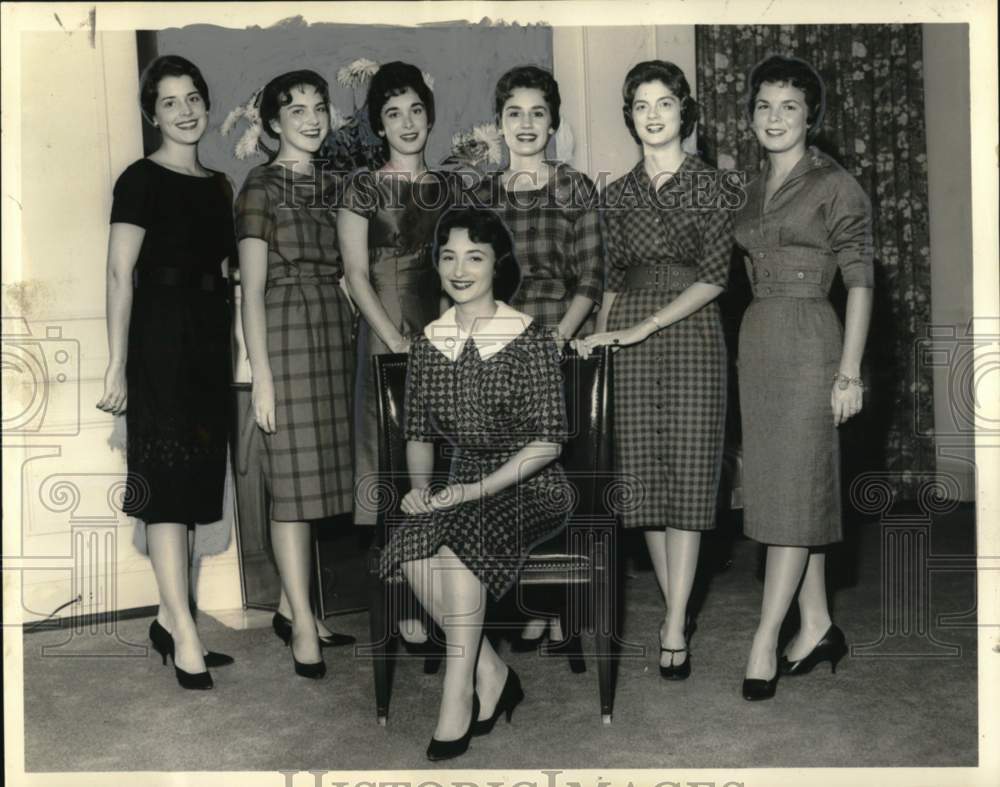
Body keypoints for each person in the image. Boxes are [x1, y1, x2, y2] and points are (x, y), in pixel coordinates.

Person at [378, 207, 571, 761]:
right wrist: (420, 491)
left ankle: (455, 695)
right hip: (458, 481)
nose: (460, 269)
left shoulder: (528, 337)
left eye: (475, 257)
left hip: (530, 485)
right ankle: (490, 669)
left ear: (497, 265)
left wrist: (473, 492)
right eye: (448, 256)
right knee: (411, 547)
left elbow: (549, 442)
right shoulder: (427, 343)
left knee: (460, 544)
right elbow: (418, 433)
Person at [577, 61, 732, 681]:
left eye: (664, 102)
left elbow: (716, 277)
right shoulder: (616, 194)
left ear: (683, 110)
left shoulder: (714, 185)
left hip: (691, 332)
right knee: (642, 477)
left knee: (690, 475)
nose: (653, 114)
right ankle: (676, 609)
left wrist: (644, 326)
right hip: (630, 337)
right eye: (640, 104)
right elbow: (612, 283)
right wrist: (599, 340)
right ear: (630, 116)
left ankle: (672, 625)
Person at [732, 55, 874, 701]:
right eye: (763, 105)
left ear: (811, 115)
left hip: (812, 342)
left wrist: (849, 372)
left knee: (791, 494)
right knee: (786, 489)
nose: (774, 117)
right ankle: (816, 622)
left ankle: (766, 636)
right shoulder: (753, 186)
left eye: (788, 105)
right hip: (758, 340)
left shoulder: (836, 183)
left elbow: (861, 280)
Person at [98, 55, 235, 690]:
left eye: (193, 98)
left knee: (197, 488)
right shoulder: (139, 179)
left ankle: (167, 615)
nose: (185, 110)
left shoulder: (219, 186)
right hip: (157, 342)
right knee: (166, 487)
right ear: (152, 113)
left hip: (206, 343)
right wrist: (117, 364)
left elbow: (228, 274)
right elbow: (119, 274)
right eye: (170, 101)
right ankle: (184, 630)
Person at [477, 64, 604, 648]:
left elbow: (590, 279)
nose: (526, 124)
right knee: (505, 481)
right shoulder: (482, 196)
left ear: (553, 122)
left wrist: (554, 343)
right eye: (514, 113)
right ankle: (525, 600)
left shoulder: (575, 187)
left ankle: (559, 608)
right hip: (495, 349)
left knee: (555, 476)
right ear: (499, 124)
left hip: (556, 343)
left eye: (537, 113)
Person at [235, 70, 356, 679]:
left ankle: (292, 603)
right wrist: (263, 375)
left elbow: (350, 273)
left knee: (321, 482)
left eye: (318, 107)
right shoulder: (260, 186)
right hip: (284, 329)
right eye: (297, 110)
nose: (311, 119)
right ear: (273, 124)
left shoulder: (336, 186)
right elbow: (250, 291)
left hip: (335, 328)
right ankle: (302, 624)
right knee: (293, 482)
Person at [339, 60, 457, 646]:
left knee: (446, 463)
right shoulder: (362, 187)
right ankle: (408, 597)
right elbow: (356, 275)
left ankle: (450, 591)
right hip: (386, 334)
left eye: (415, 109)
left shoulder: (452, 188)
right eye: (393, 113)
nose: (407, 122)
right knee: (390, 464)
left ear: (429, 116)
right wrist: (392, 339)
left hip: (445, 334)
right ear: (378, 126)